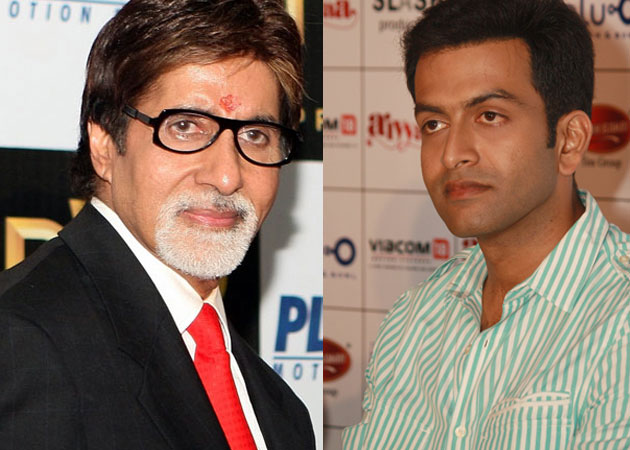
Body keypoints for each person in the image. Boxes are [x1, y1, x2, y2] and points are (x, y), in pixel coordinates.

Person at [0, 0, 315, 448]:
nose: (227, 176)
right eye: (184, 126)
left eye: (255, 135)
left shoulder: (281, 410)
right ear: (104, 144)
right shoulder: (21, 342)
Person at [343, 0, 630, 448]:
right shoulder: (413, 318)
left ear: (569, 141)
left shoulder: (620, 322)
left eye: (489, 116)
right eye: (434, 123)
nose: (453, 153)